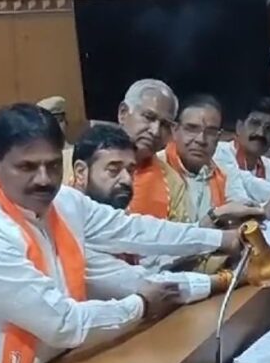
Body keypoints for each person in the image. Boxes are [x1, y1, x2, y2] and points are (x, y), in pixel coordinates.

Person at [0, 103, 241, 363]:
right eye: (28, 167)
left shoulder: (63, 203)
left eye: (53, 165)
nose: (44, 179)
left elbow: (135, 231)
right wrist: (141, 305)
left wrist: (221, 239)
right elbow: (63, 323)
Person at [71, 123, 233, 300]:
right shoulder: (71, 223)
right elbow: (146, 285)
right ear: (81, 172)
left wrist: (214, 229)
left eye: (130, 170)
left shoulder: (113, 208)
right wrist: (226, 279)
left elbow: (153, 254)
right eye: (113, 170)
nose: (126, 179)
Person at [158, 94, 265, 228]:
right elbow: (161, 235)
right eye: (192, 129)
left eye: (210, 132)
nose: (201, 140)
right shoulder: (156, 168)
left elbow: (239, 204)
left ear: (218, 137)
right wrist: (216, 216)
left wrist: (260, 210)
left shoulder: (222, 171)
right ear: (174, 130)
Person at [117, 79, 192, 222]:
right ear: (123, 113)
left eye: (164, 125)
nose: (155, 131)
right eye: (148, 117)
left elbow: (180, 234)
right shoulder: (78, 162)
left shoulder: (173, 183)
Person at [214, 96, 270, 203]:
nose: (260, 133)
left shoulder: (267, 164)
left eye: (269, 128)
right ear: (239, 127)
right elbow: (239, 197)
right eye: (255, 124)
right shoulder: (220, 152)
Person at [37, 96, 73, 181]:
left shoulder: (78, 153)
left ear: (66, 121)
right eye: (51, 123)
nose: (55, 127)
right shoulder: (37, 159)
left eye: (59, 120)